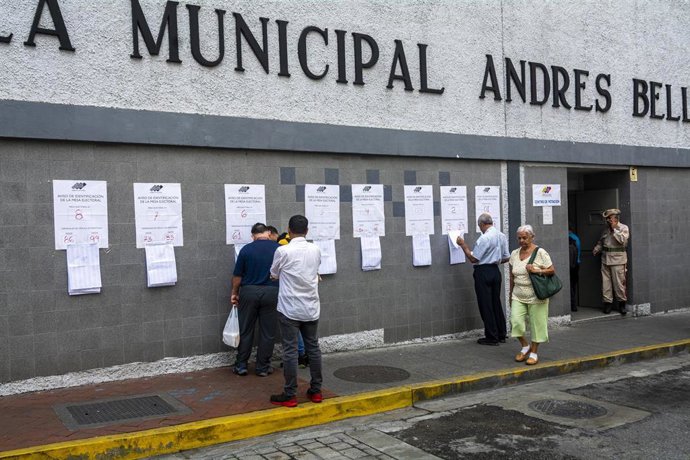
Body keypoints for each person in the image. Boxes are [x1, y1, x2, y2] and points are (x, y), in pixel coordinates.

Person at [269, 215, 323, 407]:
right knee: (313, 348)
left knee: (290, 351)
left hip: (289, 307)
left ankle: (290, 394)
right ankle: (316, 391)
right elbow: (315, 270)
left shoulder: (283, 251)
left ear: (289, 231)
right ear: (307, 231)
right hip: (311, 307)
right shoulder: (315, 249)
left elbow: (273, 274)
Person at [230, 223, 280, 377]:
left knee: (246, 329)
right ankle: (263, 367)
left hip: (249, 292)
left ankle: (242, 365)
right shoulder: (278, 249)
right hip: (272, 292)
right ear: (268, 233)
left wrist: (234, 293)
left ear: (253, 236)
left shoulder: (246, 249)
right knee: (268, 332)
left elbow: (238, 276)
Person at [456, 213, 510, 346]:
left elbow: (474, 258)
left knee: (485, 304)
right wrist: (495, 261)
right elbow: (507, 257)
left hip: (483, 272)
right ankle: (501, 333)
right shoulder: (501, 236)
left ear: (481, 224)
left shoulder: (484, 239)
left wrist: (463, 245)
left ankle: (491, 337)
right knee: (495, 302)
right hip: (495, 271)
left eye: (479, 226)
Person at [509, 225, 556, 365]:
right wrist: (510, 294)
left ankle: (534, 352)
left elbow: (552, 270)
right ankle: (525, 346)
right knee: (515, 322)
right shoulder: (514, 254)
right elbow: (511, 276)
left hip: (536, 295)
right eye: (519, 238)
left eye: (525, 237)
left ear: (532, 237)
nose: (522, 240)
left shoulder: (540, 252)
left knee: (537, 325)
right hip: (518, 295)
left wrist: (535, 271)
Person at [593, 209, 630, 315]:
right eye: (607, 219)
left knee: (619, 284)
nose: (608, 221)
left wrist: (615, 230)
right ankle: (607, 304)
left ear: (615, 218)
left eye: (610, 218)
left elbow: (623, 240)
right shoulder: (605, 230)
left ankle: (622, 304)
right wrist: (597, 249)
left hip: (618, 260)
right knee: (606, 285)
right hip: (605, 260)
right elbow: (602, 242)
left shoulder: (623, 228)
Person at [568, 225, 581, 312]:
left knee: (570, 285)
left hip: (570, 265)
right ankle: (574, 305)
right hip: (576, 264)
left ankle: (572, 305)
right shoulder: (576, 238)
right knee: (573, 286)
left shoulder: (568, 238)